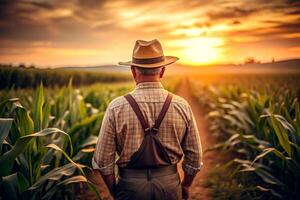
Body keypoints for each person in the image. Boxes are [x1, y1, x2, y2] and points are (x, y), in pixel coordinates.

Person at [92, 39, 203, 200]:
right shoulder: (181, 105)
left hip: (130, 186)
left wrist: (114, 190)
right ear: (163, 71)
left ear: (133, 71)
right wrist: (185, 185)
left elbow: (103, 161)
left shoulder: (116, 107)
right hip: (169, 186)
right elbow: (195, 157)